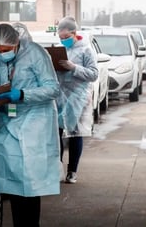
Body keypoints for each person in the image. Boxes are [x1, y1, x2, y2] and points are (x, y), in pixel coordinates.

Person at [0, 23, 61, 227]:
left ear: (16, 42)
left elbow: (53, 88)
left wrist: (22, 94)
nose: (2, 54)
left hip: (34, 122)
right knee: (12, 181)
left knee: (30, 183)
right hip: (8, 121)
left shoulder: (36, 53)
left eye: (6, 50)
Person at [56, 16, 99, 184]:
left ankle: (72, 170)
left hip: (78, 97)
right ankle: (57, 169)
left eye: (66, 37)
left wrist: (73, 67)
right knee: (57, 133)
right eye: (61, 38)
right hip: (60, 95)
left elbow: (93, 74)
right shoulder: (60, 49)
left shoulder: (86, 50)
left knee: (74, 134)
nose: (63, 40)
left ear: (75, 33)